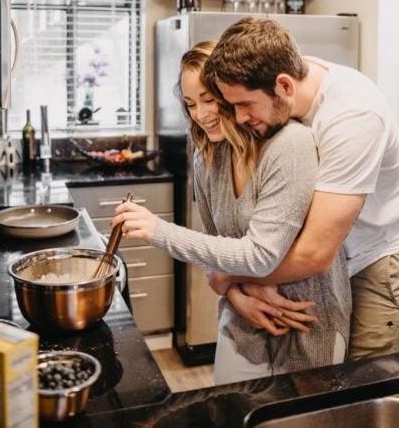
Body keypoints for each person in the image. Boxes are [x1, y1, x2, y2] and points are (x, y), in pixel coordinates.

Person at [112, 41, 351, 385]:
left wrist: (161, 232)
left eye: (209, 100)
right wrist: (235, 295)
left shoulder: (291, 146)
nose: (200, 114)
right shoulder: (208, 155)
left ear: (232, 93)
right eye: (191, 104)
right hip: (243, 321)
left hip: (308, 323)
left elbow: (259, 256)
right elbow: (217, 248)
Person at [203, 16, 399, 361]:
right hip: (326, 262)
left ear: (285, 86)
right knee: (322, 384)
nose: (240, 118)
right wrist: (234, 283)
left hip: (374, 259)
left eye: (245, 104)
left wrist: (225, 275)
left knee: (363, 383)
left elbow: (314, 253)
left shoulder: (354, 118)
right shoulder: (284, 88)